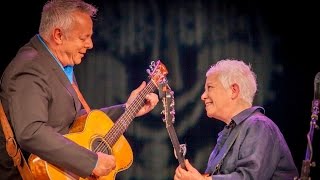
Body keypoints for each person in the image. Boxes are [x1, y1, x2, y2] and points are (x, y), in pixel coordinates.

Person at [0, 0, 159, 179]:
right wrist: (90, 162)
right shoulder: (31, 67)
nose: (90, 44)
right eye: (83, 38)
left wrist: (128, 109)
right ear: (58, 35)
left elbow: (75, 123)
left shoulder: (57, 62)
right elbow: (31, 131)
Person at [174, 59, 298, 180]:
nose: (203, 96)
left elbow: (250, 177)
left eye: (210, 87)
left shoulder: (259, 126)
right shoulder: (231, 132)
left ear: (233, 91)